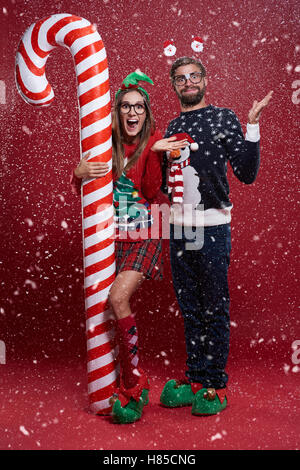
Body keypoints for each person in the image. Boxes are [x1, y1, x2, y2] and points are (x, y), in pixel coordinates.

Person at [71, 71, 186, 424]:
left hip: (147, 230)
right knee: (105, 309)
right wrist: (78, 175)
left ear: (145, 111)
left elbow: (152, 191)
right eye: (126, 106)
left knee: (117, 298)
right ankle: (127, 378)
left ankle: (134, 380)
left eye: (139, 106)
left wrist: (154, 152)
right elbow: (88, 194)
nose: (132, 112)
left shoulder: (153, 140)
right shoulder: (104, 144)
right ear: (117, 112)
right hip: (111, 235)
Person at [160, 57, 273, 415]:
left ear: (205, 80)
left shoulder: (223, 117)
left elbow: (247, 173)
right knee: (190, 308)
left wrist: (251, 126)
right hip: (179, 228)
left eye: (194, 76)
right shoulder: (171, 127)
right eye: (181, 78)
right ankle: (195, 376)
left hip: (212, 227)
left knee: (214, 307)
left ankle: (213, 384)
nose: (188, 82)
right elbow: (164, 184)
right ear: (174, 85)